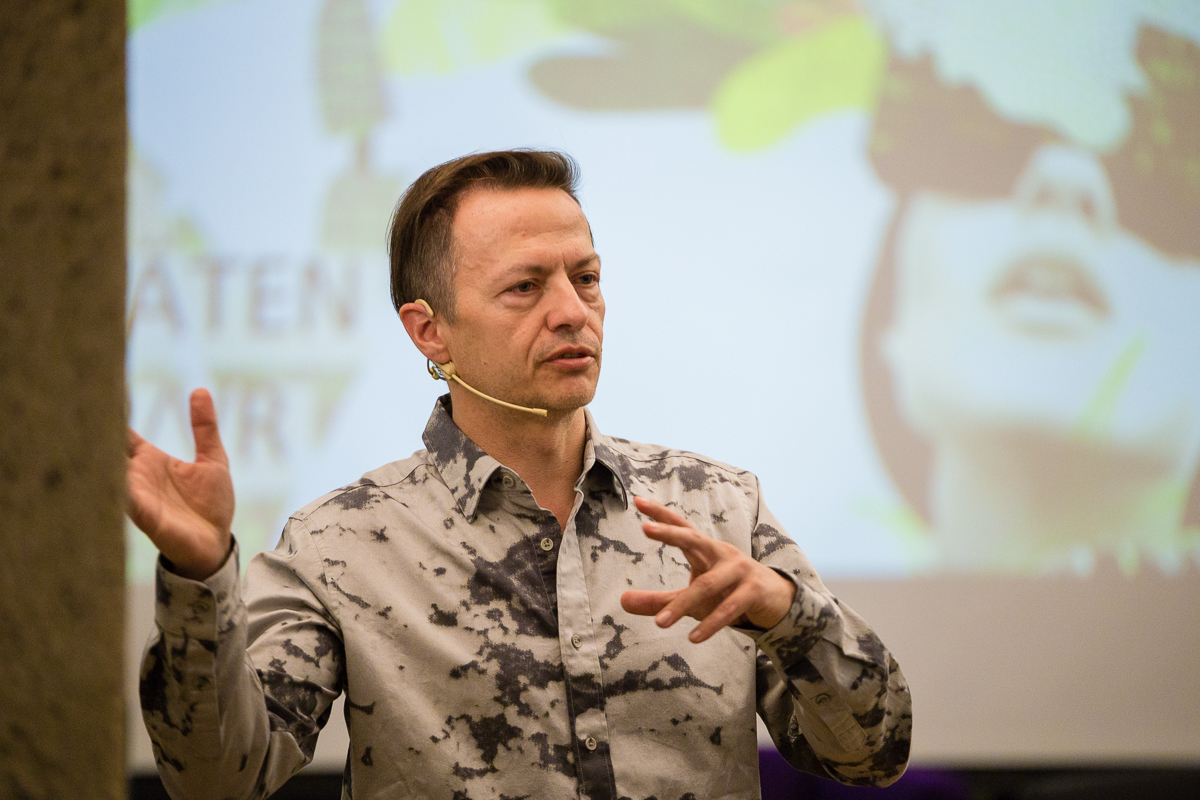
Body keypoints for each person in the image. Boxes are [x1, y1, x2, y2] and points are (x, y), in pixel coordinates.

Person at [130, 150, 912, 799]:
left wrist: (787, 613)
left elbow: (873, 752)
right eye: (525, 287)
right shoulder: (341, 542)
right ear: (429, 330)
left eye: (588, 277)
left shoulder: (714, 506)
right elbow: (220, 780)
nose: (573, 311)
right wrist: (198, 579)